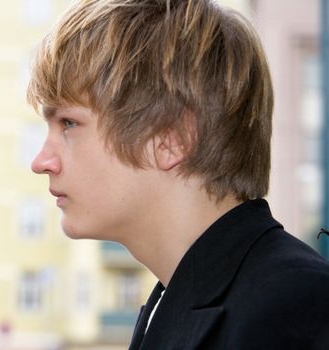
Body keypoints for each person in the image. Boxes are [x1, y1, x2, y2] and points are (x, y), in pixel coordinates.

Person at [27, 0, 329, 348]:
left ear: (171, 139)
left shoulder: (295, 312)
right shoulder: (182, 301)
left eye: (68, 123)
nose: (41, 161)